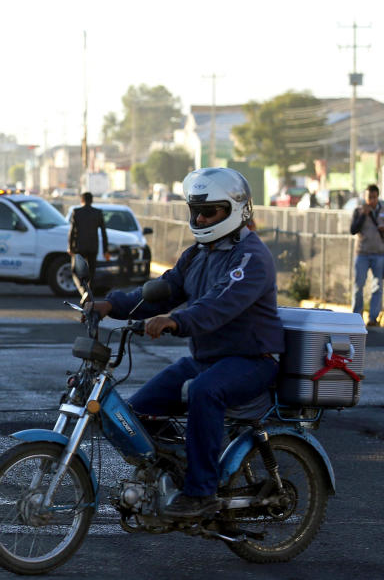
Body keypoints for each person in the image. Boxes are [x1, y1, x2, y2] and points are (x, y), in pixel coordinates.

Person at [91, 167, 284, 518]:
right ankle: (176, 466)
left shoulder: (251, 258)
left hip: (251, 361)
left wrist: (177, 321)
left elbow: (219, 305)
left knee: (205, 391)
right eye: (194, 210)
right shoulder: (197, 253)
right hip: (207, 359)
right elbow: (162, 290)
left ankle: (201, 492)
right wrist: (112, 304)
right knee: (132, 413)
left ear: (236, 210)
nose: (199, 218)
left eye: (209, 211)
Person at [349, 184, 384, 327]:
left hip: (379, 253)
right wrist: (363, 214)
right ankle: (356, 317)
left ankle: (373, 318)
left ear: (378, 197)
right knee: (358, 286)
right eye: (369, 197)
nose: (371, 200)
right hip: (362, 253)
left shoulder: (382, 211)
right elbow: (353, 230)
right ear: (365, 197)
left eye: (374, 197)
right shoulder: (358, 211)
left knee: (377, 287)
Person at [69, 192, 108, 290]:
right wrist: (105, 250)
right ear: (92, 201)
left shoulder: (76, 212)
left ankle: (83, 289)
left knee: (75, 270)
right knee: (91, 272)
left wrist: (70, 247)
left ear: (82, 200)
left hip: (79, 247)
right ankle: (89, 290)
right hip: (93, 247)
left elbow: (72, 232)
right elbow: (104, 233)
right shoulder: (98, 213)